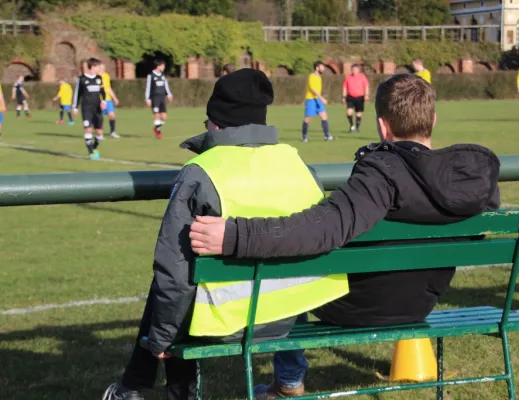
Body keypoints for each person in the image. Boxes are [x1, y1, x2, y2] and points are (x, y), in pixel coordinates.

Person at [188, 74, 501, 399]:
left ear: (382, 126)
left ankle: (289, 383)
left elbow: (322, 229)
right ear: (433, 120)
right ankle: (288, 383)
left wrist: (236, 236)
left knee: (291, 264)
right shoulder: (468, 179)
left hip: (356, 307)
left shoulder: (381, 173)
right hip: (420, 303)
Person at [102, 69, 349, 400]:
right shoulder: (299, 165)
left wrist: (160, 339)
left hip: (227, 321)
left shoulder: (201, 173)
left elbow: (174, 276)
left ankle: (148, 389)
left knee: (177, 282)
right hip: (291, 317)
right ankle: (134, 385)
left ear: (215, 123)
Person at [72, 58, 107, 160]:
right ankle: (91, 152)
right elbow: (77, 94)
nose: (99, 68)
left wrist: (103, 102)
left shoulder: (99, 78)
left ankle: (94, 147)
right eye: (97, 66)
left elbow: (103, 92)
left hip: (97, 109)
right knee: (88, 129)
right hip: (86, 109)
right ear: (92, 67)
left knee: (99, 132)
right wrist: (75, 107)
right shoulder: (82, 79)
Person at [303, 61, 334, 142]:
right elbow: (313, 89)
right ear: (317, 68)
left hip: (317, 99)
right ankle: (304, 136)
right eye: (322, 67)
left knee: (324, 116)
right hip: (311, 99)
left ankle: (327, 136)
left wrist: (319, 98)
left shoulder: (319, 77)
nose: (323, 68)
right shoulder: (311, 76)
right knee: (308, 118)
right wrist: (322, 98)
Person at [145, 59, 173, 139]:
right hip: (154, 98)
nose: (164, 67)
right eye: (163, 66)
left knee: (164, 117)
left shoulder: (163, 75)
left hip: (162, 97)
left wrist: (169, 94)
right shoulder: (151, 75)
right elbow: (148, 88)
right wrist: (147, 99)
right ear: (158, 66)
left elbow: (166, 86)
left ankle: (156, 126)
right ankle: (158, 131)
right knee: (156, 114)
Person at [342, 64, 369, 133]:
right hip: (350, 97)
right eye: (353, 69)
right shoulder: (348, 77)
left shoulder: (362, 77)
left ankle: (357, 127)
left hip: (360, 97)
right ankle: (352, 125)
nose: (354, 71)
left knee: (358, 113)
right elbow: (345, 87)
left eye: (355, 69)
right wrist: (344, 96)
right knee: (349, 112)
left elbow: (366, 86)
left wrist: (366, 95)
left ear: (358, 70)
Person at [100, 62, 121, 138]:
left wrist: (114, 98)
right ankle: (100, 133)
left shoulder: (106, 76)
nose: (103, 69)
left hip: (108, 100)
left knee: (112, 115)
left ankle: (112, 132)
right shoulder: (95, 77)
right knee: (100, 117)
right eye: (101, 68)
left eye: (103, 68)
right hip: (100, 100)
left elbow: (108, 88)